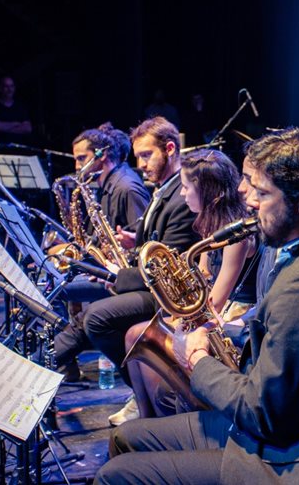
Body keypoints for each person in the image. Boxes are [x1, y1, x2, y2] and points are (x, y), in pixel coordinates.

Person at [95, 128, 299, 485]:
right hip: (287, 427)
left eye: (261, 191)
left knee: (115, 474)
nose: (245, 198)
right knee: (126, 436)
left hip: (292, 455)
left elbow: (263, 413)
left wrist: (197, 358)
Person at [52, 117, 197, 385]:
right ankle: (45, 361)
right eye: (138, 156)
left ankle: (144, 381)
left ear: (170, 149)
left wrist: (118, 277)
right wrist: (134, 242)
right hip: (147, 282)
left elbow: (168, 269)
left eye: (146, 155)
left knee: (96, 317)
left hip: (167, 295)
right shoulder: (164, 188)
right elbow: (154, 243)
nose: (140, 165)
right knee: (90, 314)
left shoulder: (181, 195)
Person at [117, 149, 255, 422]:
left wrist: (182, 320)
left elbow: (216, 300)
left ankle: (163, 422)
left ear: (208, 192)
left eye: (186, 187)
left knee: (150, 337)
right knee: (137, 334)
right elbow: (204, 274)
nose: (182, 194)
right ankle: (148, 421)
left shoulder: (236, 235)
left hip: (234, 315)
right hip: (216, 311)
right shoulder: (209, 225)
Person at [0, 76, 33, 144]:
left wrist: (5, 127)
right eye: (6, 86)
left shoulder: (20, 106)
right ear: (0, 88)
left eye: (12, 86)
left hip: (19, 147)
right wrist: (16, 124)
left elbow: (28, 128)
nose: (10, 90)